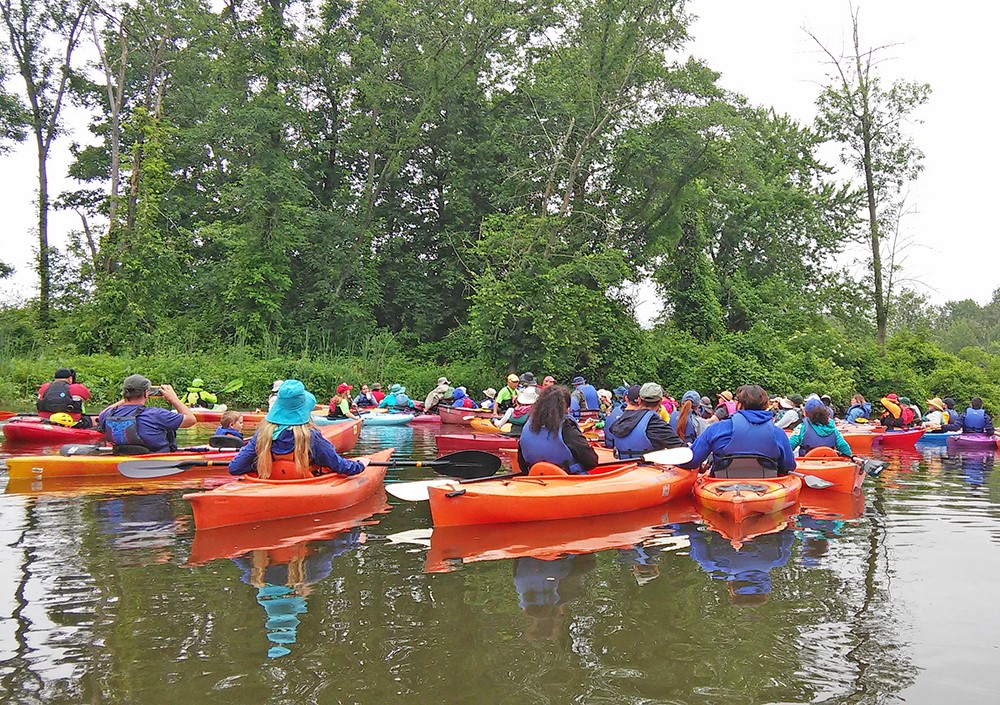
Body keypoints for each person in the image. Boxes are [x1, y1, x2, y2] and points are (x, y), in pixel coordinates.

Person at [228, 380, 369, 479]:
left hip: (272, 485)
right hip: (304, 484)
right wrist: (360, 465)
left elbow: (234, 468)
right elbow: (340, 465)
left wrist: (264, 465)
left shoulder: (262, 435)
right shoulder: (311, 437)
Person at [678, 385, 796, 478]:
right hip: (768, 490)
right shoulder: (778, 433)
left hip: (722, 489)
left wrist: (674, 462)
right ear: (765, 406)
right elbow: (789, 466)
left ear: (739, 405)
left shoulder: (716, 429)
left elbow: (691, 461)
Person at [97, 375, 197, 454]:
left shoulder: (108, 414)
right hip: (157, 461)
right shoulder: (156, 414)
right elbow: (191, 420)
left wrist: (127, 398)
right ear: (146, 393)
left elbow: (102, 413)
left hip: (121, 456)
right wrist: (174, 399)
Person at [517, 385, 598, 475]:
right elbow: (591, 462)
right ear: (566, 408)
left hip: (537, 480)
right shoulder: (567, 429)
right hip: (569, 483)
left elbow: (522, 465)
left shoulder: (528, 427)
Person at [605, 383, 686, 460]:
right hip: (648, 470)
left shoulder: (621, 418)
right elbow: (682, 450)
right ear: (660, 402)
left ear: (639, 400)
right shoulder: (655, 423)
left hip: (622, 469)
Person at [788, 398, 852, 456]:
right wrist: (850, 456)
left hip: (807, 464)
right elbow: (844, 447)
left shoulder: (802, 428)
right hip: (829, 463)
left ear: (805, 414)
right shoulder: (832, 428)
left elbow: (789, 447)